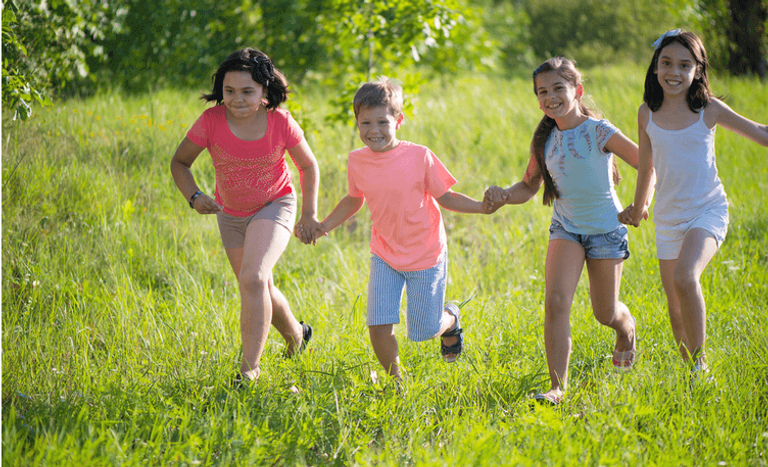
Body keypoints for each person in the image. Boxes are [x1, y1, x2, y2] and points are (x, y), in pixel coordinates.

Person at [298, 78, 493, 381]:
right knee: (378, 325)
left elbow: (446, 197)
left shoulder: (419, 156)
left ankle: (451, 319)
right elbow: (353, 199)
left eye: (382, 122)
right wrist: (324, 225)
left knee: (424, 331)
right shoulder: (357, 160)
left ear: (398, 121)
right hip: (385, 254)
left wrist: (482, 206)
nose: (373, 130)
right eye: (365, 123)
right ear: (357, 123)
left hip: (426, 254)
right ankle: (396, 382)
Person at [484, 57, 648, 405]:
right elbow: (528, 187)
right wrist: (504, 196)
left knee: (605, 313)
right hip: (566, 228)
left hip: (606, 231)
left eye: (558, 88)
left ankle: (626, 327)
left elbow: (645, 162)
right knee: (556, 302)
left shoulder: (599, 130)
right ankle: (557, 388)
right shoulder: (544, 139)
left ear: (578, 90)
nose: (550, 97)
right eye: (542, 91)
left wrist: (640, 205)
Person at [619, 30, 768, 375]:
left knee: (686, 277)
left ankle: (701, 368)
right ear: (655, 67)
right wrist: (639, 208)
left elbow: (760, 133)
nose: (674, 71)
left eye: (684, 65)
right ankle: (690, 377)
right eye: (666, 63)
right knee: (675, 310)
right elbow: (647, 167)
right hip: (668, 219)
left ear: (698, 70)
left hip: (707, 211)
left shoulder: (708, 110)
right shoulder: (647, 114)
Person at [170, 48, 322, 385]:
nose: (237, 99)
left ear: (264, 90)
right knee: (259, 283)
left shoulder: (279, 121)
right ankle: (297, 335)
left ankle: (249, 370)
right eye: (229, 91)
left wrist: (309, 214)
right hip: (231, 214)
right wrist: (194, 196)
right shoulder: (211, 121)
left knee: (252, 279)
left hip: (275, 204)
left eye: (247, 91)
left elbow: (308, 166)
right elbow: (179, 163)